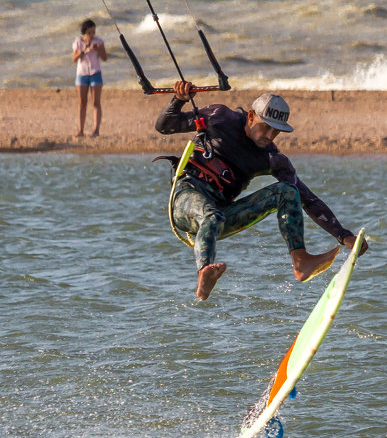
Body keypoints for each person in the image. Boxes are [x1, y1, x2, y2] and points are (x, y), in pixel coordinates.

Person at [156, 81, 367, 300]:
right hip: (185, 199)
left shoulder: (271, 158)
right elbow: (164, 125)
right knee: (211, 215)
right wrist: (178, 99)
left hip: (221, 215)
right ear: (250, 116)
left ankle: (300, 260)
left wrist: (343, 236)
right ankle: (204, 272)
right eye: (265, 126)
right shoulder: (219, 118)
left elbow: (308, 200)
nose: (269, 135)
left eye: (276, 131)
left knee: (287, 191)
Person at [72, 19, 107, 137]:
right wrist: (83, 49)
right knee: (82, 103)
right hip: (82, 74)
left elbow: (104, 58)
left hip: (95, 73)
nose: (92, 35)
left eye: (93, 32)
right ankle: (80, 130)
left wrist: (98, 49)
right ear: (85, 32)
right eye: (90, 32)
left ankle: (96, 130)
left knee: (96, 102)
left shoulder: (99, 42)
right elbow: (74, 58)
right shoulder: (78, 42)